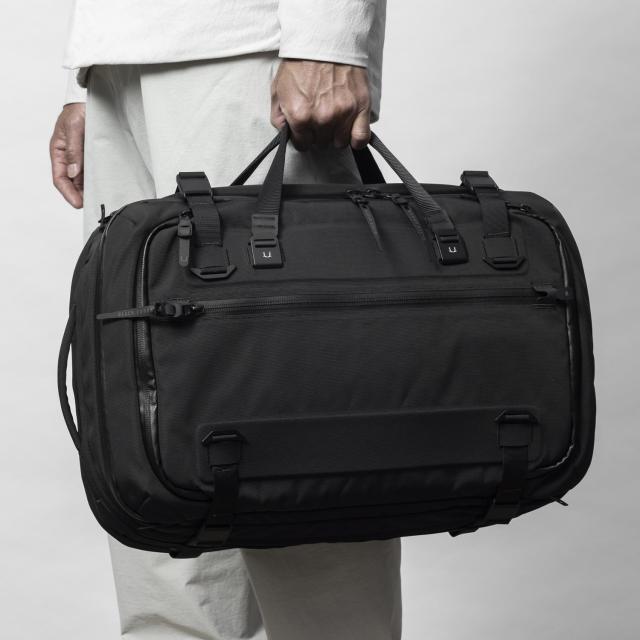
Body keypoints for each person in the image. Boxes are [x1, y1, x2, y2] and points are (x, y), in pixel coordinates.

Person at [50, 2, 400, 639]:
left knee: (303, 465)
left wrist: (330, 37)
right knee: (155, 460)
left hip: (246, 52)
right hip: (121, 59)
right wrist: (90, 70)